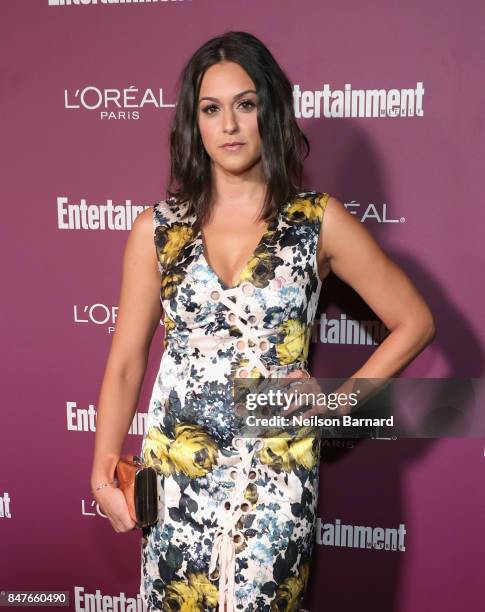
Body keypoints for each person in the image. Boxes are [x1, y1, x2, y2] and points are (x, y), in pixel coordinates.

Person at [90, 31, 435, 612]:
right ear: (193, 123)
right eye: (211, 109)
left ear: (269, 111)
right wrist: (103, 470)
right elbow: (126, 362)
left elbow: (414, 322)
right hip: (177, 471)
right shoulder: (157, 230)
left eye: (245, 105)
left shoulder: (314, 220)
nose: (229, 124)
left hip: (276, 473)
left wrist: (334, 407)